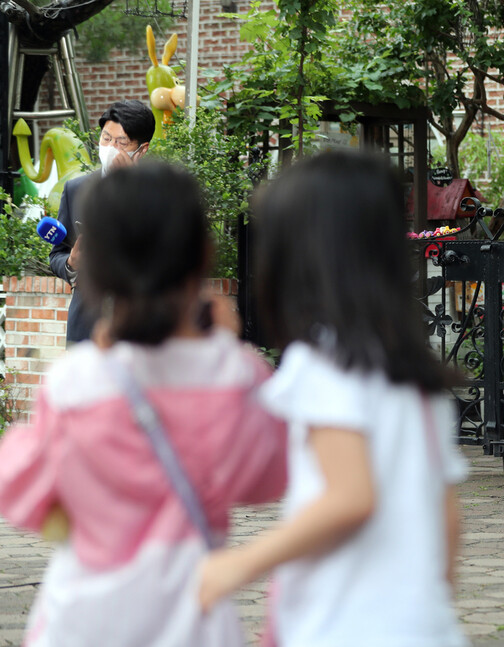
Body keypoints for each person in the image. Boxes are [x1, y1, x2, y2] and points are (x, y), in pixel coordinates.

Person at [0, 162, 288, 647]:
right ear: (203, 256)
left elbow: (19, 492)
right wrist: (228, 347)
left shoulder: (75, 383)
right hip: (193, 626)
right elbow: (269, 478)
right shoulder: (231, 375)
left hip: (81, 625)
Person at [198, 151, 469, 647]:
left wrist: (240, 563)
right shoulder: (417, 375)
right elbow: (448, 519)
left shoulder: (324, 363)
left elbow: (350, 498)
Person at [49, 99, 155, 344]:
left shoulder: (157, 193)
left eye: (121, 142)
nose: (110, 147)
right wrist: (71, 264)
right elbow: (57, 255)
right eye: (106, 138)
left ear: (142, 149)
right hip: (84, 328)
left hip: (139, 330)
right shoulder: (76, 188)